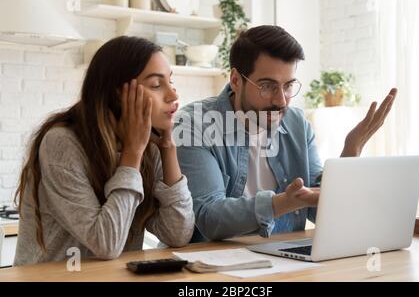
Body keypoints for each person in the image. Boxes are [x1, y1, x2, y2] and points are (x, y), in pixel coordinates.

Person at [175, 25, 397, 242]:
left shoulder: (297, 124)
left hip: (287, 263)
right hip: (211, 267)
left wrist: (351, 151)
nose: (281, 100)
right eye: (267, 86)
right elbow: (208, 217)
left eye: (288, 85)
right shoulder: (194, 124)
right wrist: (285, 202)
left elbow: (318, 211)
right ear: (235, 80)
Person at [14, 36, 194, 265]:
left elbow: (178, 234)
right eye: (156, 85)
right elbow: (106, 244)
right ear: (119, 94)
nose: (173, 95)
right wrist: (132, 154)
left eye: (171, 81)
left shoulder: (150, 146)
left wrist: (168, 149)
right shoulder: (62, 143)